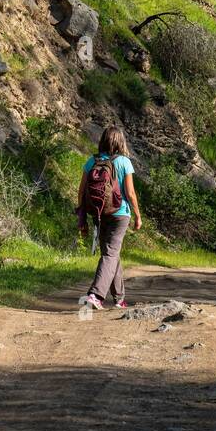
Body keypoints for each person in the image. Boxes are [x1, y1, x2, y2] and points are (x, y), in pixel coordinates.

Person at [77, 125, 142, 311]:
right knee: (111, 254)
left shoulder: (92, 161)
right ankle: (95, 295)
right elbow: (130, 192)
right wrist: (138, 215)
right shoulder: (124, 162)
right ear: (120, 141)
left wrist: (81, 218)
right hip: (120, 214)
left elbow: (81, 192)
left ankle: (119, 299)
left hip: (99, 213)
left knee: (112, 254)